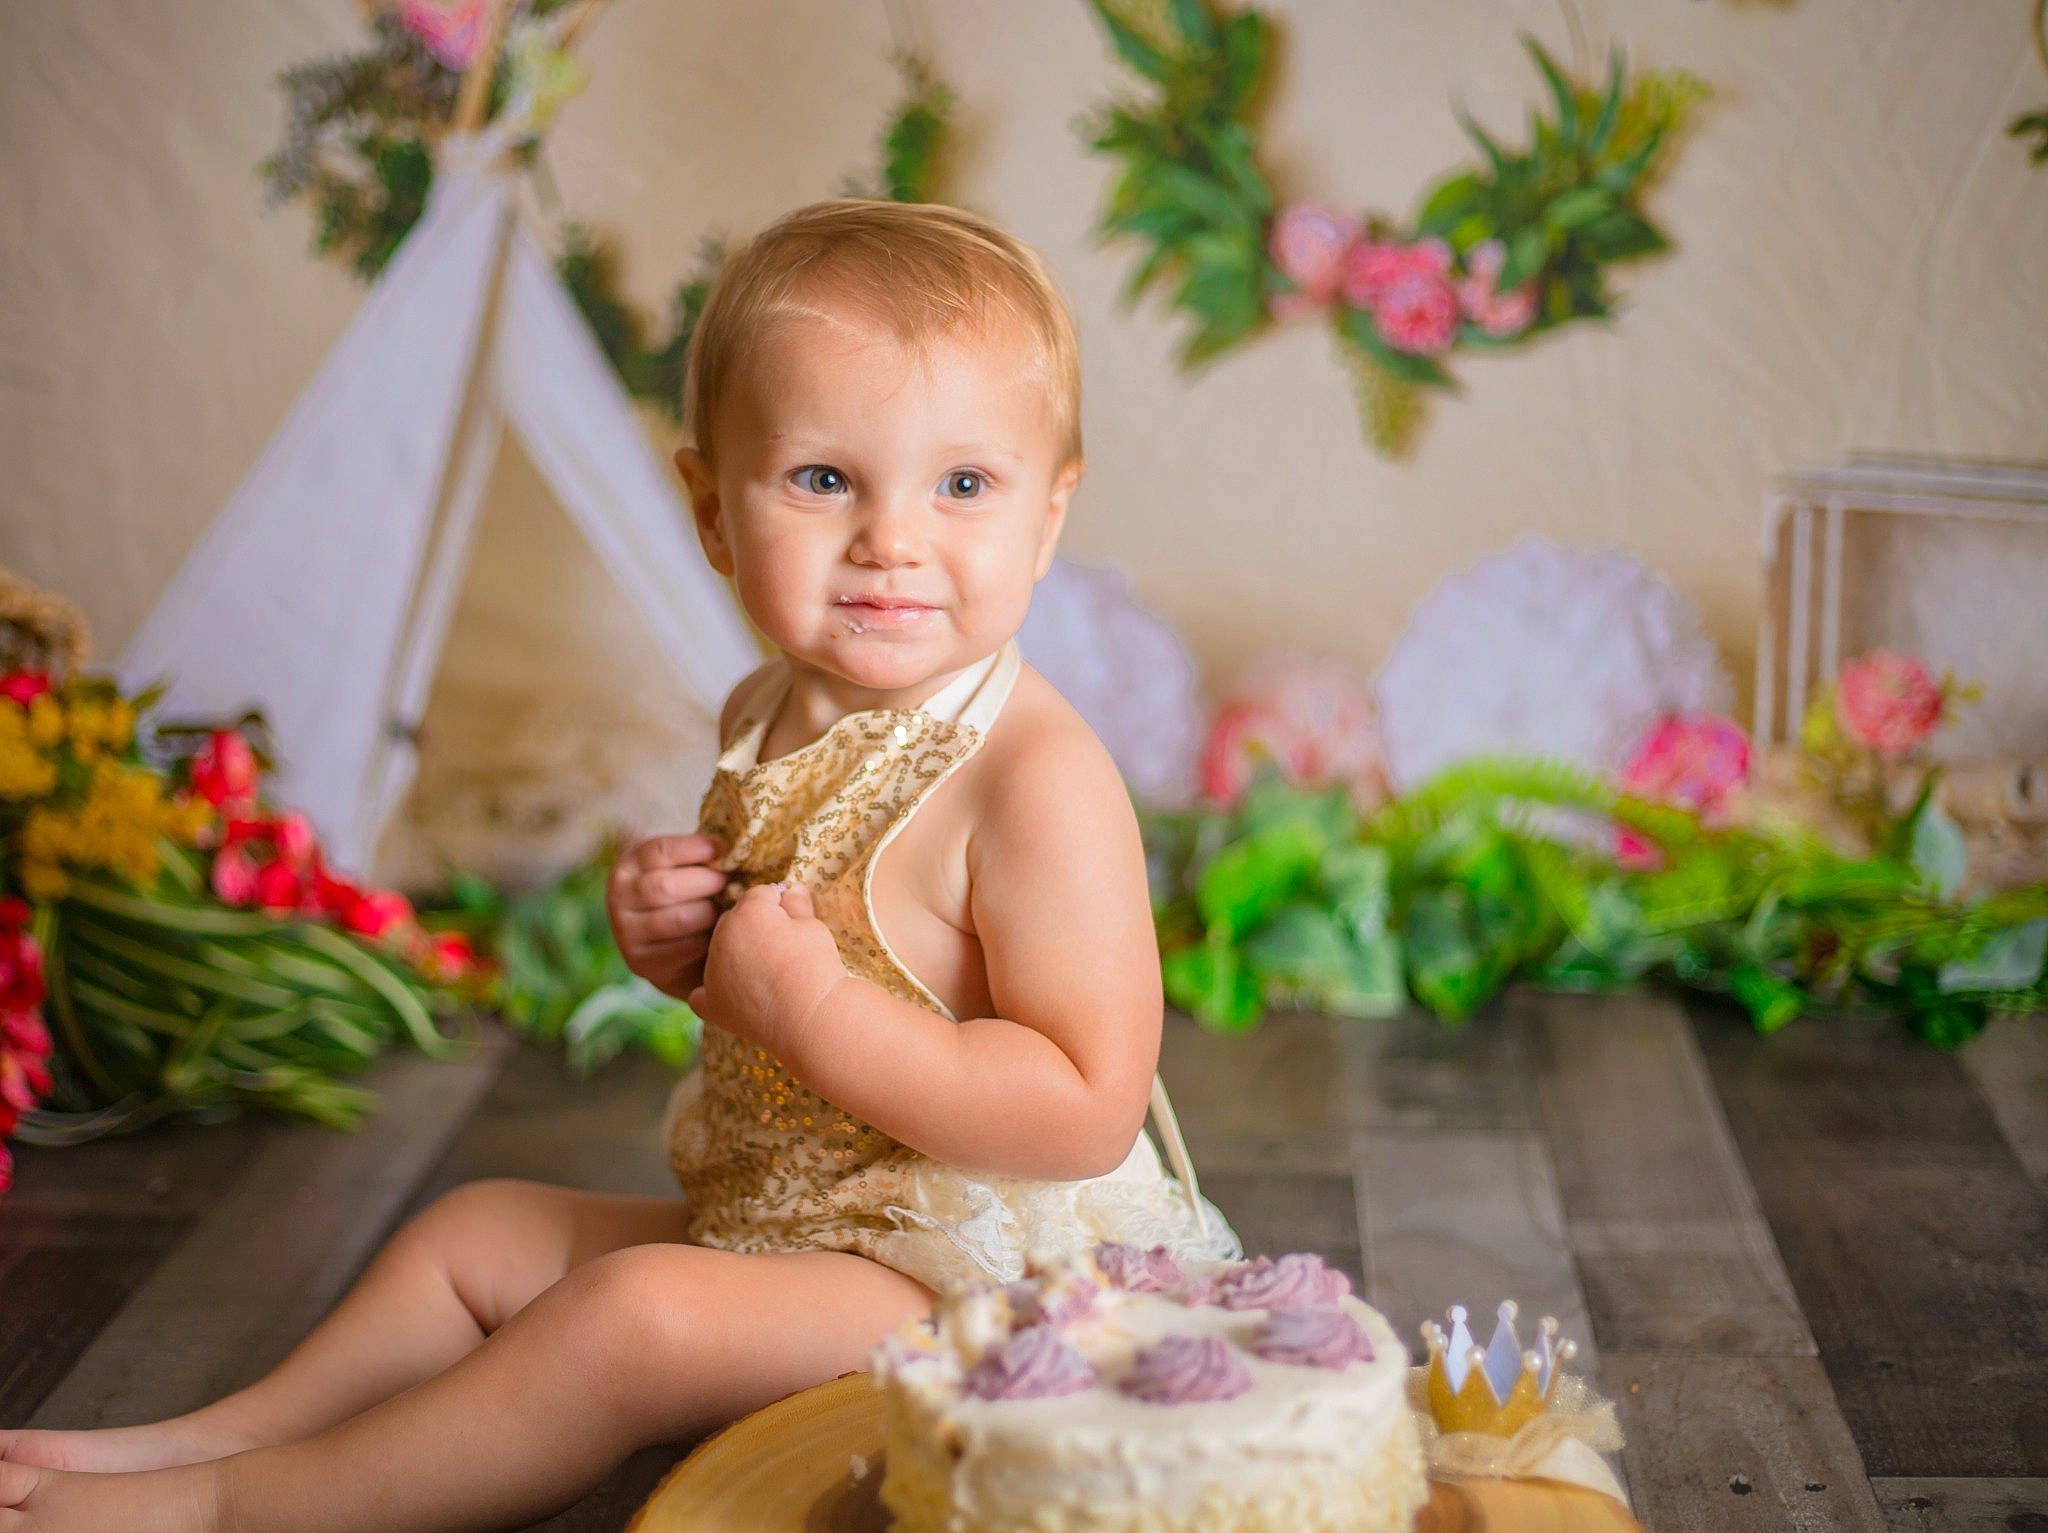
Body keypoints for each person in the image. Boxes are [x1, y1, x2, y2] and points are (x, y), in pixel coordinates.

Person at [0, 198, 1236, 1533]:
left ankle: (244, 1505)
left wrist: (810, 1006)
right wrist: (682, 947)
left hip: (984, 1291)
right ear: (711, 509)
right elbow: (778, 980)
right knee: (473, 1236)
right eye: (824, 479)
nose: (894, 538)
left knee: (630, 1317)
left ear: (1048, 518)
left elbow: (1083, 1104)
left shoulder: (1033, 780)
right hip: (797, 1218)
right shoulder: (763, 708)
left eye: (963, 484)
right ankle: (207, 1437)